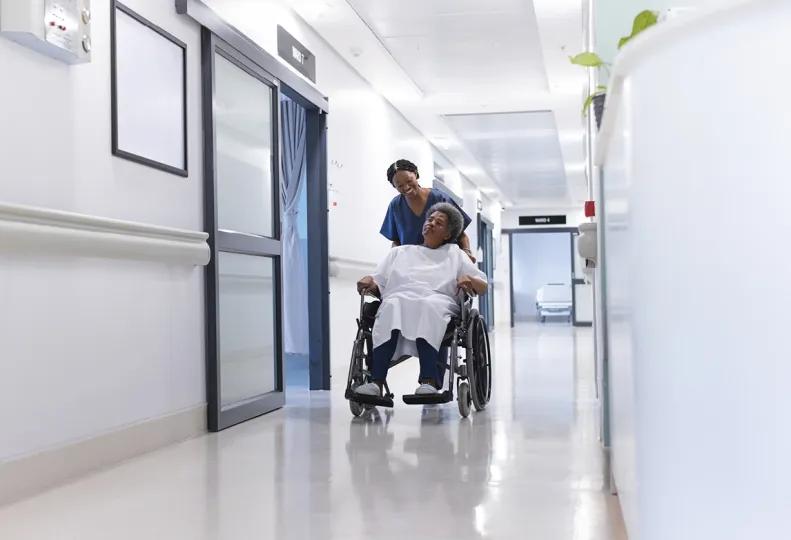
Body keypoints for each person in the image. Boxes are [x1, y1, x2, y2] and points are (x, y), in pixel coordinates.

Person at [356, 203, 488, 397]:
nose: (431, 223)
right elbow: (379, 283)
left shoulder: (456, 254)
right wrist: (369, 282)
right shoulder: (399, 252)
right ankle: (375, 381)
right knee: (391, 305)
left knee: (428, 306)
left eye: (439, 223)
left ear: (447, 234)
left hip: (438, 300)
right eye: (430, 219)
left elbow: (483, 286)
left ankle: (428, 381)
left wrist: (470, 279)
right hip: (399, 298)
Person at [380, 159, 475, 261]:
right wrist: (394, 257)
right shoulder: (396, 206)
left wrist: (467, 253)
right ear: (395, 186)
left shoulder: (439, 198)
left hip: (445, 262)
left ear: (415, 174)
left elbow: (461, 235)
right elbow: (396, 241)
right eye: (400, 185)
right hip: (413, 265)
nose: (406, 187)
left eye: (409, 181)